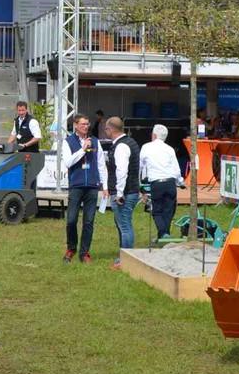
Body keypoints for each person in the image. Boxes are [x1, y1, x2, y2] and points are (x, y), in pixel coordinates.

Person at [60, 113, 107, 264]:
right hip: (76, 186)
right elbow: (68, 162)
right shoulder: (68, 142)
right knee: (71, 220)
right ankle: (71, 248)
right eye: (83, 124)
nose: (86, 127)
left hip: (92, 186)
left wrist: (104, 186)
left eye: (87, 124)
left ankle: (84, 252)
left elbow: (101, 164)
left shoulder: (95, 141)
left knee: (89, 221)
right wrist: (82, 149)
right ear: (75, 125)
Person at [104, 117, 140, 269]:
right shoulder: (131, 142)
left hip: (125, 192)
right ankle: (124, 256)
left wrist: (119, 193)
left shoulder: (121, 146)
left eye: (106, 129)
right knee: (123, 225)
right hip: (132, 189)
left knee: (124, 226)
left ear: (110, 129)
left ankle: (126, 260)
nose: (105, 131)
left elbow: (122, 170)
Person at [139, 123, 181, 240]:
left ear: (154, 135)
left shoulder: (146, 147)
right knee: (168, 211)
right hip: (170, 182)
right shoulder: (170, 149)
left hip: (156, 183)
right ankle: (164, 235)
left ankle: (163, 234)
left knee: (157, 211)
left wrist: (139, 183)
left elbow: (140, 166)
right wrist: (180, 182)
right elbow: (176, 169)